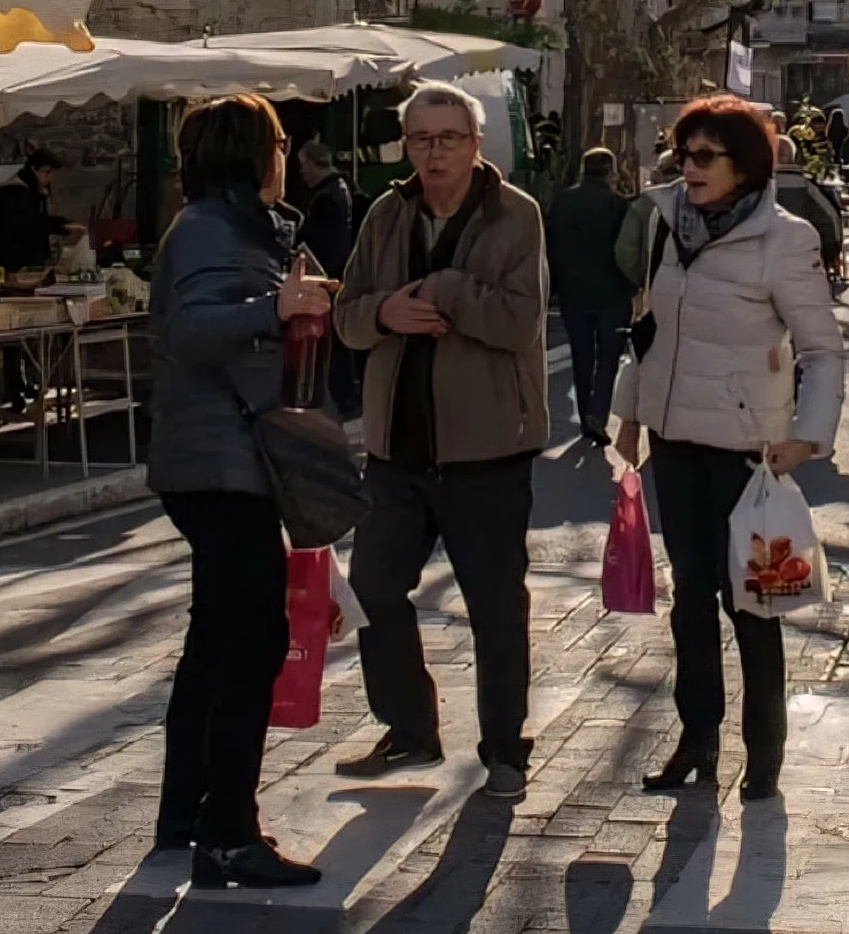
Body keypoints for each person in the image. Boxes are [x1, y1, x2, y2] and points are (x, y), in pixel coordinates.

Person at [613, 96, 843, 802]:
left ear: (745, 166)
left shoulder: (786, 238)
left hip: (748, 450)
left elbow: (823, 349)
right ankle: (698, 737)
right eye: (682, 154)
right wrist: (628, 413)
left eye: (705, 156)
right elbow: (645, 326)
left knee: (754, 602)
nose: (689, 168)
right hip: (673, 439)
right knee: (690, 598)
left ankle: (764, 749)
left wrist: (809, 435)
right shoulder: (660, 223)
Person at [334, 83, 548, 800]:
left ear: (475, 144)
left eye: (448, 137)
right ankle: (410, 729)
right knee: (371, 589)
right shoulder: (385, 216)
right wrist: (388, 312)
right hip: (397, 448)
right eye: (421, 139)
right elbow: (347, 318)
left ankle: (505, 748)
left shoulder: (517, 217)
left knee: (494, 604)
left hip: (486, 449)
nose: (434, 152)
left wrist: (449, 290)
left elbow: (520, 323)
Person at [147, 94, 333, 888]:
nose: (285, 155)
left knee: (215, 638)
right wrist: (277, 305)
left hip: (223, 456)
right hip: (221, 460)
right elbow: (193, 331)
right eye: (279, 142)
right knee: (249, 641)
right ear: (255, 152)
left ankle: (186, 814)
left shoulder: (227, 226)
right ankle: (227, 828)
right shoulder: (209, 231)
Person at [545, 147, 632, 446]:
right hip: (612, 293)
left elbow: (550, 245)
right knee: (608, 358)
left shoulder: (562, 202)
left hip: (573, 292)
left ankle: (585, 417)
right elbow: (628, 251)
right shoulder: (618, 205)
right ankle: (598, 412)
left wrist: (554, 285)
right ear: (610, 171)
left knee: (582, 356)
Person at [0, 147, 66, 278]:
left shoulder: (33, 192)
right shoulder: (14, 191)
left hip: (19, 264)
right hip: (8, 264)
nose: (49, 178)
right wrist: (61, 226)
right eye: (46, 172)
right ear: (33, 169)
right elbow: (28, 225)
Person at [772, 134, 845, 279]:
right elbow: (830, 220)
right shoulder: (807, 186)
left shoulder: (752, 188)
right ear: (792, 156)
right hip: (804, 259)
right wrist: (830, 254)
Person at [294, 138, 354, 280]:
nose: (301, 172)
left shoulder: (326, 198)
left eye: (303, 165)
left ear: (314, 163)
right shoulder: (338, 188)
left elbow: (320, 245)